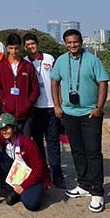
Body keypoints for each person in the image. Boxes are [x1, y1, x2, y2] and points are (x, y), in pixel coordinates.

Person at [51, 29, 109, 213]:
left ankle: (97, 192)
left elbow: (103, 82)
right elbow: (54, 82)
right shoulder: (61, 61)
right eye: (69, 42)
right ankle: (83, 184)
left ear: (81, 42)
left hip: (90, 114)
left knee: (93, 152)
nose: (72, 45)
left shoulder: (92, 60)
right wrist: (57, 105)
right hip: (69, 114)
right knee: (77, 151)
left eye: (75, 42)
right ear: (65, 43)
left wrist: (99, 107)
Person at [0, 113, 50, 211]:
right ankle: (14, 190)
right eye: (1, 128)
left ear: (14, 128)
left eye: (7, 128)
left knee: (32, 204)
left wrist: (23, 186)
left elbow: (38, 169)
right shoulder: (2, 136)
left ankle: (38, 188)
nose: (3, 131)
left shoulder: (27, 143)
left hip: (32, 175)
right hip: (18, 171)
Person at [23, 32, 65, 189]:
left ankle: (57, 174)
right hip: (34, 109)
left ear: (37, 44)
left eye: (33, 44)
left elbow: (57, 82)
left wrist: (58, 103)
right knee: (37, 143)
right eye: (28, 45)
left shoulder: (49, 59)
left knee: (53, 142)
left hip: (50, 107)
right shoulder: (25, 62)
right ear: (24, 47)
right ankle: (43, 173)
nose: (31, 47)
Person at [0, 34, 39, 137]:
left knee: (25, 142)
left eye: (16, 48)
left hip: (25, 115)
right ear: (7, 48)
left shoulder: (28, 66)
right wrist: (3, 101)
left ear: (20, 47)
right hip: (8, 114)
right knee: (9, 142)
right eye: (11, 48)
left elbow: (35, 88)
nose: (14, 51)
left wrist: (28, 102)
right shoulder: (2, 66)